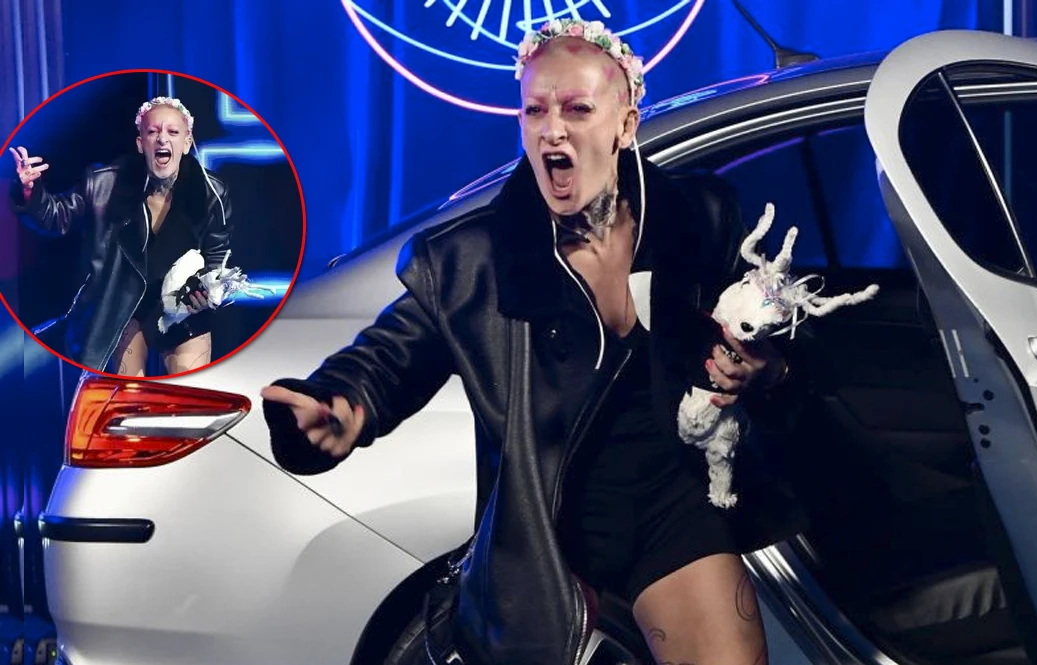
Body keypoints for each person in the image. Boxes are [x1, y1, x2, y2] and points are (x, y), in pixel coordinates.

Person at [262, 19, 806, 665]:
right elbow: (389, 357)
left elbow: (770, 332)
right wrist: (340, 404)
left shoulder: (698, 220)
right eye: (534, 110)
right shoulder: (473, 263)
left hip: (670, 509)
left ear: (625, 124)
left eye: (577, 109)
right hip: (548, 533)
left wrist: (765, 370)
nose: (552, 130)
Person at [8, 95, 233, 375]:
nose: (162, 139)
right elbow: (56, 217)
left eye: (173, 132)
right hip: (123, 307)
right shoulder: (104, 184)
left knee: (190, 384)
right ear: (141, 143)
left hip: (181, 307)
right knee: (129, 387)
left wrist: (207, 289)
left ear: (187, 143)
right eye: (153, 132)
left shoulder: (212, 193)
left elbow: (217, 253)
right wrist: (30, 192)